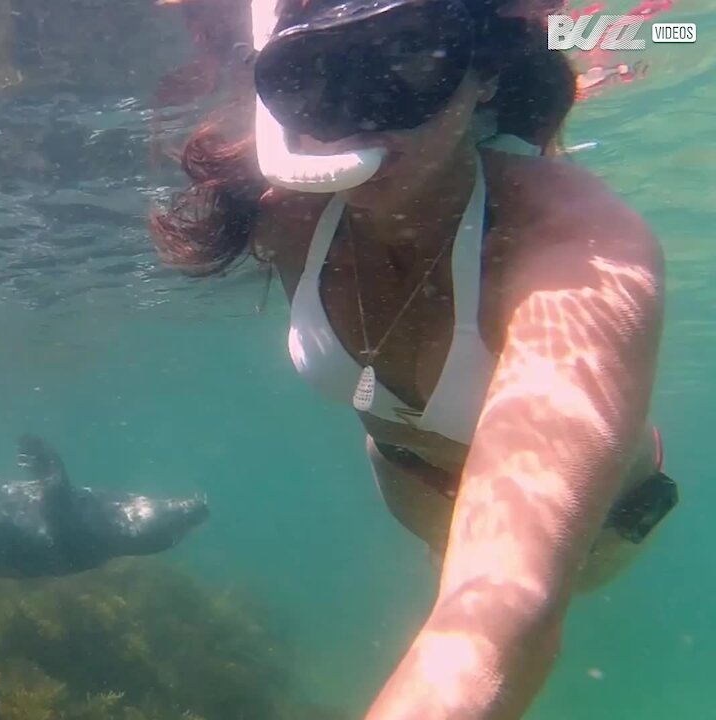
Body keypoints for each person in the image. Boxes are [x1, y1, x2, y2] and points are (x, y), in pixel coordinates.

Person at [148, 0, 678, 717]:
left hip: (594, 538)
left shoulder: (582, 254)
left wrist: (477, 620)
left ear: (483, 71)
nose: (360, 116)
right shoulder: (284, 216)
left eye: (405, 58)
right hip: (420, 504)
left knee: (489, 615)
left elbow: (501, 625)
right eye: (314, 75)